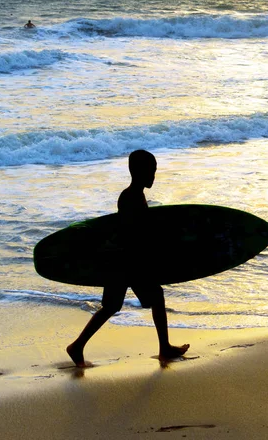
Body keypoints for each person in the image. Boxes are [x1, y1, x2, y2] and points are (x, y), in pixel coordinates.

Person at [66, 150, 189, 367]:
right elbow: (133, 235)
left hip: (121, 262)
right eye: (151, 172)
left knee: (112, 306)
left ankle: (77, 346)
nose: (154, 177)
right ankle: (165, 348)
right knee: (155, 296)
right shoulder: (131, 198)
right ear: (139, 172)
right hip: (128, 263)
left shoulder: (133, 195)